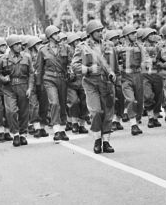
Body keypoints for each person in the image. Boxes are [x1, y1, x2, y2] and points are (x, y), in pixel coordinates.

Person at [74, 19, 117, 154]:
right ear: (90, 33)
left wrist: (113, 74)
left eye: (101, 31)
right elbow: (74, 66)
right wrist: (88, 69)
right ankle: (97, 139)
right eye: (97, 31)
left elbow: (115, 65)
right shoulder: (82, 47)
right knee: (96, 111)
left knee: (108, 113)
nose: (100, 33)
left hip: (107, 83)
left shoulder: (109, 45)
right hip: (91, 83)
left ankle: (106, 141)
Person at [37, 25, 70, 141]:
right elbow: (39, 69)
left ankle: (62, 129)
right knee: (54, 103)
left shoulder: (65, 48)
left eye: (58, 33)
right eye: (55, 34)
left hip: (62, 79)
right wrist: (39, 85)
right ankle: (56, 130)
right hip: (49, 79)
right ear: (50, 37)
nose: (58, 36)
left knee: (62, 103)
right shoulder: (43, 50)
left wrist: (71, 71)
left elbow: (70, 63)